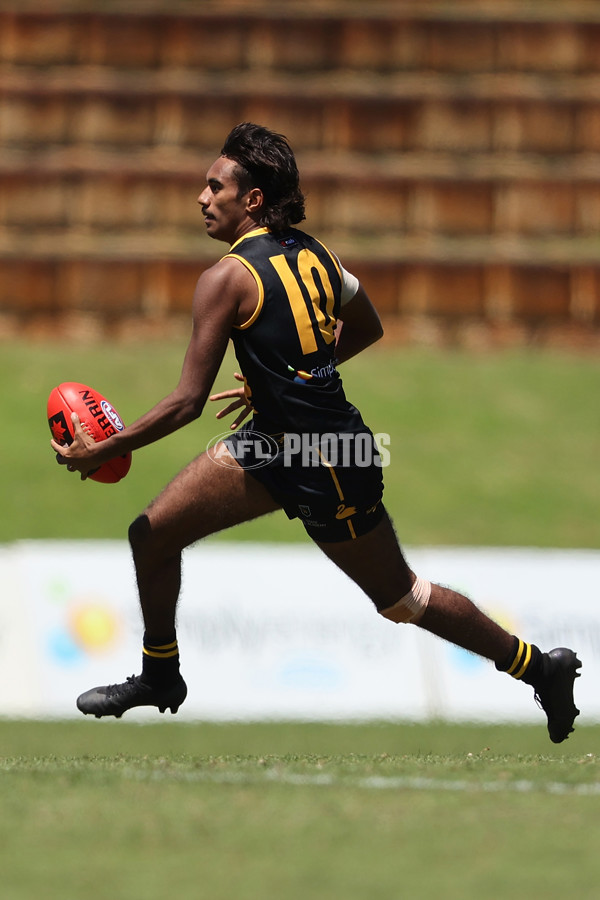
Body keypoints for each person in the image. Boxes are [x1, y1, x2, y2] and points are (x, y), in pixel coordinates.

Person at [52, 122, 581, 743]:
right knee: (153, 533)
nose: (201, 197)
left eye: (214, 185)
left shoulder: (224, 279)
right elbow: (368, 324)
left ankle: (540, 668)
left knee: (400, 599)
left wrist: (110, 447)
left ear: (252, 199)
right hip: (273, 442)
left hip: (328, 456)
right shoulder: (317, 254)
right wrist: (286, 378)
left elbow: (188, 401)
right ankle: (160, 675)